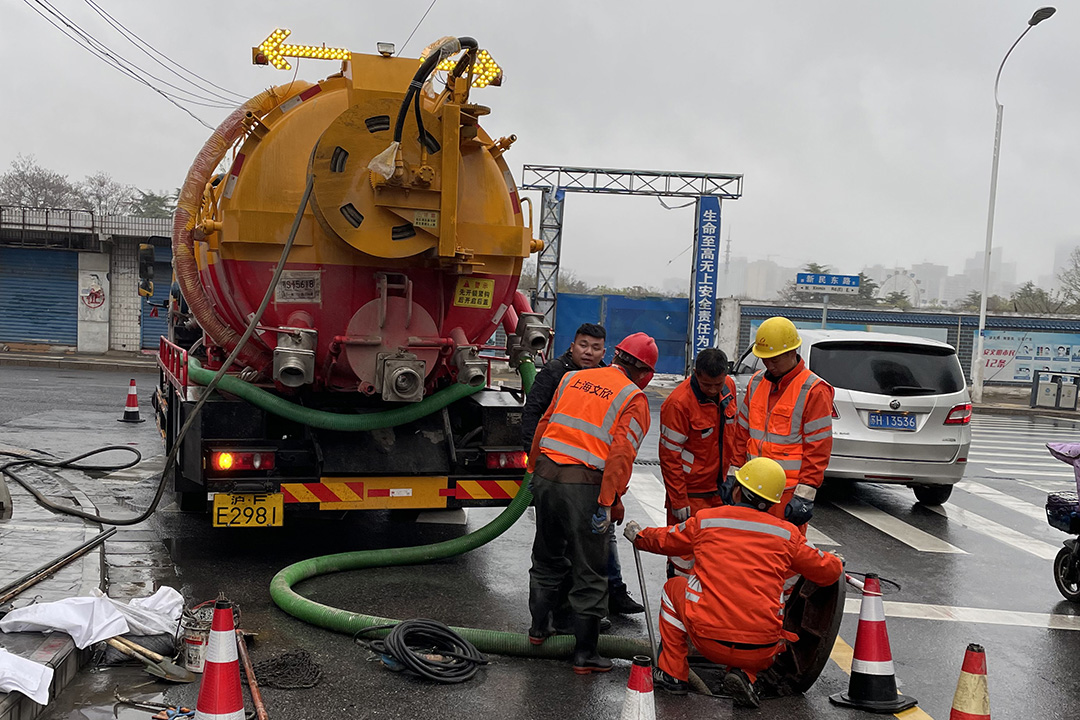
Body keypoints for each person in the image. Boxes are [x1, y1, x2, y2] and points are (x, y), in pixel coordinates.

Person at [623, 457, 843, 707]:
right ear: (774, 502)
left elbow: (666, 540)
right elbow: (827, 572)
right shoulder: (786, 534)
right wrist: (836, 562)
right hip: (762, 651)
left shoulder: (707, 521)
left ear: (737, 490)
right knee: (754, 610)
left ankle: (672, 674)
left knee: (673, 589)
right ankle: (744, 674)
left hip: (707, 640)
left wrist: (639, 536)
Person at [526, 332, 657, 674]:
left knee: (546, 557)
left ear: (615, 355)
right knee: (589, 570)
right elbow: (621, 455)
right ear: (646, 373)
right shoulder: (634, 397)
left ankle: (539, 630)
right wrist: (609, 500)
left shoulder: (574, 378)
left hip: (545, 476)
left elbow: (544, 423)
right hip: (583, 485)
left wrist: (532, 471)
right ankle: (586, 655)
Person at [730, 317, 834, 527]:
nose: (769, 364)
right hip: (751, 489)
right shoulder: (757, 381)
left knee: (782, 555)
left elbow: (818, 449)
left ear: (791, 353)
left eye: (774, 359)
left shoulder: (813, 390)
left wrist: (805, 495)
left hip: (785, 495)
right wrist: (733, 475)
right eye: (765, 359)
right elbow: (742, 434)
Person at [658, 348, 736, 577]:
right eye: (706, 385)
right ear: (695, 374)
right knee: (683, 558)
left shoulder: (728, 388)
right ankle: (677, 606)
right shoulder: (678, 404)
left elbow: (735, 435)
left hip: (720, 492)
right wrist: (679, 500)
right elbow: (669, 457)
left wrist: (734, 477)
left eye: (717, 384)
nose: (713, 390)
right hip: (690, 495)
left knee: (716, 560)